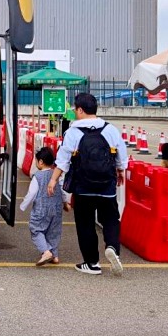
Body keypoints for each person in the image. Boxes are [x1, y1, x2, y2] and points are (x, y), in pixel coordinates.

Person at [46, 92, 128, 276]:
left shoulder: (73, 132)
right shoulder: (110, 129)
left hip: (83, 186)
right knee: (110, 219)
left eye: (75, 109)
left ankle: (92, 263)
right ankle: (113, 248)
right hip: (107, 184)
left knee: (85, 224)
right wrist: (121, 170)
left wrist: (53, 180)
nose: (75, 112)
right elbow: (122, 154)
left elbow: (63, 159)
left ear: (81, 110)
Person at [19, 146, 70, 266]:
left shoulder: (38, 176)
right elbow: (62, 190)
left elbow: (32, 193)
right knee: (53, 231)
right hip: (56, 209)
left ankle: (46, 252)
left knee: (36, 229)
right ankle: (54, 255)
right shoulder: (55, 175)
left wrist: (23, 205)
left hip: (41, 209)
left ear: (40, 162)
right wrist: (65, 203)